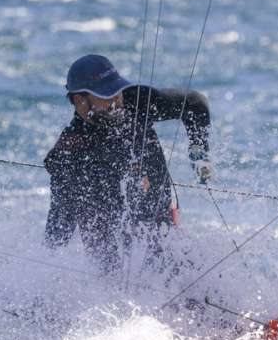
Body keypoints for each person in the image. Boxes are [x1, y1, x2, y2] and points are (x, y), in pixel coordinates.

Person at [43, 54, 212, 272]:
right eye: (106, 96)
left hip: (157, 223)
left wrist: (199, 151)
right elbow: (58, 228)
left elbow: (194, 104)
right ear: (79, 100)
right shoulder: (70, 151)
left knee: (182, 275)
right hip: (106, 237)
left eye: (117, 91)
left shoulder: (136, 102)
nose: (117, 101)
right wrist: (45, 274)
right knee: (113, 281)